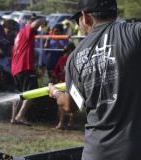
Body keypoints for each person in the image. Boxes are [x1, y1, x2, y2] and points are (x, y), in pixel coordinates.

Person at [48, 0, 141, 159]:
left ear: (85, 17)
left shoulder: (75, 57)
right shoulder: (134, 34)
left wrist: (56, 92)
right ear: (116, 14)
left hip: (96, 152)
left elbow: (71, 105)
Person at [11, 18, 47, 126]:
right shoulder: (26, 30)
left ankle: (13, 118)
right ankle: (20, 115)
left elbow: (25, 54)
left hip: (17, 68)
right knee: (33, 92)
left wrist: (35, 70)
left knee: (17, 94)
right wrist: (44, 20)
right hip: (24, 67)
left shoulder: (19, 36)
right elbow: (36, 23)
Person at [52, 42, 77, 130]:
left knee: (63, 104)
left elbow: (55, 72)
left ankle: (60, 123)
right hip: (73, 84)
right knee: (75, 103)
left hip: (62, 84)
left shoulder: (61, 59)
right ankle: (70, 123)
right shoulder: (74, 59)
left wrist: (55, 79)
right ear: (71, 51)